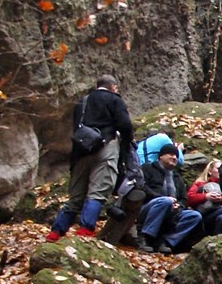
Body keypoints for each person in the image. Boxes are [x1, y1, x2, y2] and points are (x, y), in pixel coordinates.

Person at [49, 75, 133, 241]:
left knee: (75, 196)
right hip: (105, 147)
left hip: (81, 150)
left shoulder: (83, 102)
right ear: (113, 87)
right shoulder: (114, 99)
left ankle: (56, 232)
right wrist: (127, 143)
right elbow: (124, 125)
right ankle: (86, 230)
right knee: (98, 191)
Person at [136, 145, 203, 253]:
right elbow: (142, 187)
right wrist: (163, 199)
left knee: (195, 216)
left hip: (172, 211)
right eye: (171, 154)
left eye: (176, 156)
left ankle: (165, 241)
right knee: (165, 201)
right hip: (149, 208)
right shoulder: (148, 168)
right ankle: (145, 237)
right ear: (161, 156)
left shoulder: (177, 177)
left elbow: (183, 199)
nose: (174, 158)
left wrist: (179, 205)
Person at [187, 161, 222, 240]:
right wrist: (206, 196)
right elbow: (189, 198)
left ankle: (217, 241)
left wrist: (221, 199)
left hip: (219, 214)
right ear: (210, 171)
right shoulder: (200, 184)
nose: (221, 171)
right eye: (218, 169)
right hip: (204, 215)